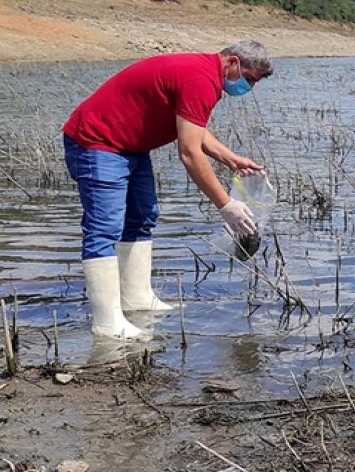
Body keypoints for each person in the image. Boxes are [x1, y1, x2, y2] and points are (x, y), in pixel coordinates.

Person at [62, 41, 274, 340]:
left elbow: (192, 129)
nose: (249, 87)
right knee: (104, 228)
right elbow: (189, 152)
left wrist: (230, 159)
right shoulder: (201, 78)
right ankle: (107, 322)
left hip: (130, 147)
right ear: (233, 63)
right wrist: (226, 206)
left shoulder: (205, 74)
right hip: (97, 142)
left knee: (143, 216)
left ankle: (136, 298)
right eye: (250, 78)